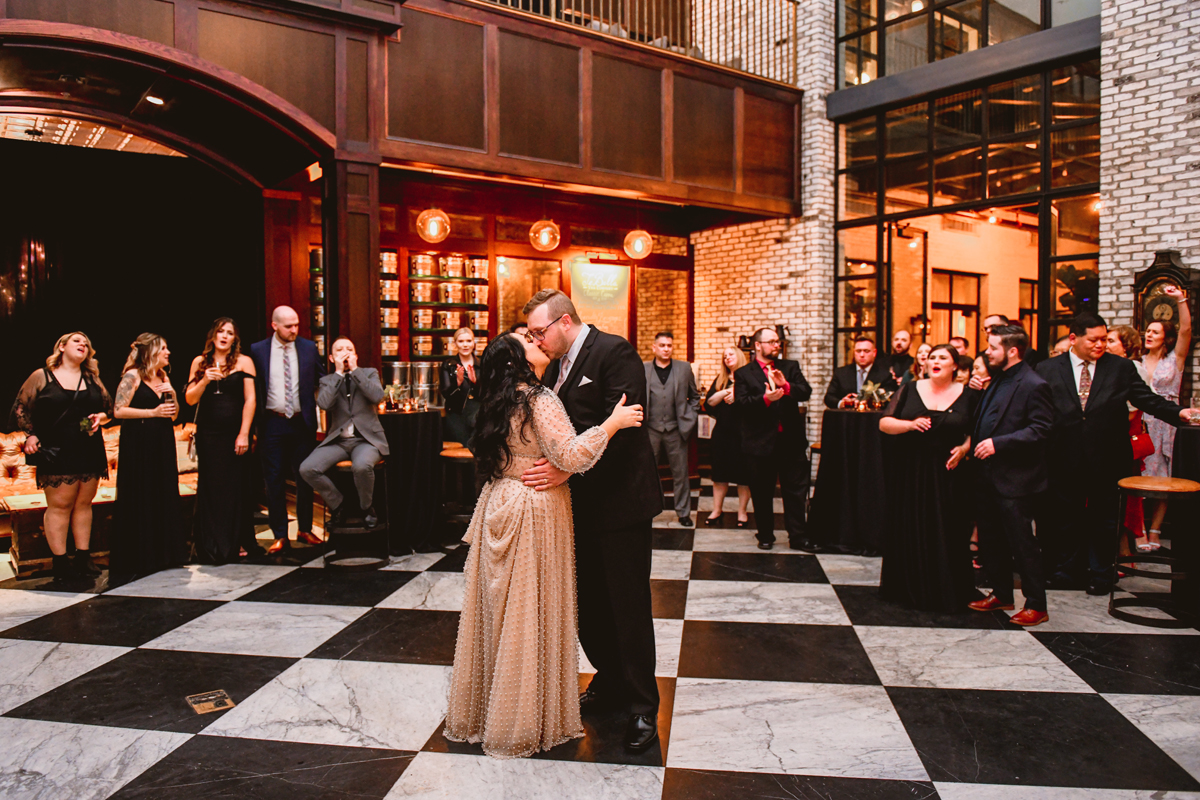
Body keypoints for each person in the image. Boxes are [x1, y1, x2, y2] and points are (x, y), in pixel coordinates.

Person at [445, 333, 643, 759]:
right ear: (518, 358)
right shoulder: (539, 398)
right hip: (534, 508)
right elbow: (570, 455)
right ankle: (522, 718)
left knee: (501, 610)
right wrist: (613, 423)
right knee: (530, 609)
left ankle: (491, 711)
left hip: (500, 500)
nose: (536, 340)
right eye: (527, 339)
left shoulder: (495, 400)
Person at [519, 289, 663, 753]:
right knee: (589, 604)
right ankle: (612, 679)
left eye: (539, 331)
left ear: (565, 321)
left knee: (627, 605)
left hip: (621, 505)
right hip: (578, 507)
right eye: (531, 335)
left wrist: (568, 469)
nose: (536, 341)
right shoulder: (554, 367)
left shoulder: (614, 352)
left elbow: (624, 429)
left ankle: (642, 705)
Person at [1036, 312, 1197, 594]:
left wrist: (1178, 412)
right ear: (1074, 339)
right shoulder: (1047, 368)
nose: (1100, 345)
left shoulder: (1120, 367)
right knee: (1066, 516)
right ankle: (1066, 571)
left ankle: (1101, 573)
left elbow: (1146, 398)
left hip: (1108, 455)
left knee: (1105, 518)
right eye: (1093, 340)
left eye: (1104, 339)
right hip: (1062, 454)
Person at [877, 344, 977, 611]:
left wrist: (964, 449)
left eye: (943, 357)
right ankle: (907, 586)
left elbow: (976, 431)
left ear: (955, 366)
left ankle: (946, 586)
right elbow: (884, 423)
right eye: (932, 357)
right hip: (911, 470)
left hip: (948, 471)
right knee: (912, 523)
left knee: (948, 527)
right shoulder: (910, 389)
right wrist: (909, 425)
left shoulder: (969, 394)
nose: (935, 361)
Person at [968, 325, 1055, 626]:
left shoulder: (1033, 383)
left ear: (1012, 351)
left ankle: (1036, 604)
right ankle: (1002, 593)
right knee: (992, 540)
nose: (987, 352)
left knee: (1022, 543)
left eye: (993, 347)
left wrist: (998, 443)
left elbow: (1041, 429)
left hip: (1016, 477)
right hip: (988, 475)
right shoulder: (998, 378)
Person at [11, 332, 111, 580]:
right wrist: (31, 435)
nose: (83, 344)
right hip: (57, 449)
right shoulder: (42, 376)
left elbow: (109, 409)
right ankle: (60, 563)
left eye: (86, 343)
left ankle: (83, 558)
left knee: (84, 504)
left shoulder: (91, 378)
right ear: (62, 346)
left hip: (89, 447)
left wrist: (100, 418)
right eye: (77, 341)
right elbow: (21, 408)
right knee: (60, 506)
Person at [250, 306, 323, 553]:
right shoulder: (258, 350)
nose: (294, 330)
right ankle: (280, 534)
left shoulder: (308, 348)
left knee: (305, 476)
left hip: (301, 422)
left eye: (296, 325)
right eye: (288, 326)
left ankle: (305, 529)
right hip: (272, 422)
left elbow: (322, 380)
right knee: (274, 478)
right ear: (274, 326)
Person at [110, 333, 184, 580]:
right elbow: (118, 411)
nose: (168, 352)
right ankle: (141, 555)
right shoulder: (132, 376)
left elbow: (174, 415)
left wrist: (172, 393)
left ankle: (166, 553)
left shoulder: (163, 376)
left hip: (162, 440)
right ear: (150, 351)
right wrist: (152, 412)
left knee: (163, 489)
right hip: (139, 442)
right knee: (141, 491)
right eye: (163, 348)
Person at [734, 328, 814, 551]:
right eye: (771, 342)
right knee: (762, 491)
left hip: (790, 441)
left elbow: (805, 391)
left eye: (777, 341)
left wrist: (786, 386)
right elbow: (741, 404)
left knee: (795, 492)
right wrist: (765, 399)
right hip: (759, 443)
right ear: (758, 345)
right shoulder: (744, 373)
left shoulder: (790, 367)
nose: (776, 345)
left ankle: (798, 537)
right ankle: (766, 535)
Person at [185, 318, 257, 564]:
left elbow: (250, 400)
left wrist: (244, 433)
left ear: (235, 339)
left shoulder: (244, 362)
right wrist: (205, 380)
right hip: (209, 434)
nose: (225, 336)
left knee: (234, 488)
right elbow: (190, 400)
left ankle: (235, 541)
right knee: (211, 487)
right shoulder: (199, 362)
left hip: (234, 433)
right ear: (213, 336)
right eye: (221, 331)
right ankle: (210, 543)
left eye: (230, 333)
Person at [299, 337, 389, 528]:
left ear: (355, 355)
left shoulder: (369, 373)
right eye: (339, 350)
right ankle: (338, 505)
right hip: (338, 441)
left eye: (349, 349)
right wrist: (339, 374)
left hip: (366, 440)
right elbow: (324, 403)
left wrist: (355, 371)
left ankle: (366, 508)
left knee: (362, 466)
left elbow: (377, 396)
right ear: (332, 358)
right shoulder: (327, 381)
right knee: (307, 468)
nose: (345, 353)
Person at [1140, 285, 1192, 550]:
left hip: (1165, 424)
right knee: (1139, 475)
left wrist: (1180, 299)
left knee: (1163, 478)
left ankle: (1155, 530)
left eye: (1155, 332)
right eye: (1147, 331)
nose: (1149, 335)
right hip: (1141, 423)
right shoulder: (1136, 361)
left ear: (1166, 338)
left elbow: (1186, 331)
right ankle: (1138, 530)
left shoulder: (1175, 360)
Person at [643, 331, 700, 527]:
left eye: (669, 345)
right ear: (654, 348)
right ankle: (647, 512)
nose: (666, 349)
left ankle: (683, 513)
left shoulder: (684, 368)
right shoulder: (644, 369)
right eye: (662, 345)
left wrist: (690, 418)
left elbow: (694, 396)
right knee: (648, 474)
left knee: (681, 474)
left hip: (676, 430)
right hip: (651, 429)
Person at [1105, 324, 1149, 560]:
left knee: (1124, 498)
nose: (1105, 345)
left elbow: (1132, 411)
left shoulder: (1132, 368)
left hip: (1124, 439)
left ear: (1126, 346)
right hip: (1109, 438)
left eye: (1111, 340)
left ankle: (1123, 552)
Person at [702, 346, 751, 527]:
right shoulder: (721, 379)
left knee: (744, 477)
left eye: (731, 354)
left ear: (739, 356)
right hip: (723, 434)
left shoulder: (750, 378)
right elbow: (709, 403)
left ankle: (742, 512)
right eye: (724, 356)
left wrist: (737, 391)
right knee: (719, 475)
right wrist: (725, 392)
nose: (727, 358)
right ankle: (717, 510)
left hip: (745, 434)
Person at [824, 336, 897, 408]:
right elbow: (829, 398)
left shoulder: (884, 375)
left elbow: (890, 399)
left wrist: (868, 401)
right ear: (854, 352)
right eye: (858, 351)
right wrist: (843, 403)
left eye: (866, 351)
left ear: (874, 353)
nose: (862, 355)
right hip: (846, 414)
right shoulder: (841, 373)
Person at [441, 327, 480, 448]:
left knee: (477, 449)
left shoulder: (482, 364)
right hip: (456, 415)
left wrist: (475, 382)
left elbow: (490, 393)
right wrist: (458, 382)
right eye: (461, 341)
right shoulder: (448, 365)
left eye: (468, 341)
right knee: (460, 448)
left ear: (473, 343)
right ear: (455, 344)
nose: (465, 345)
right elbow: (445, 393)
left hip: (478, 414)